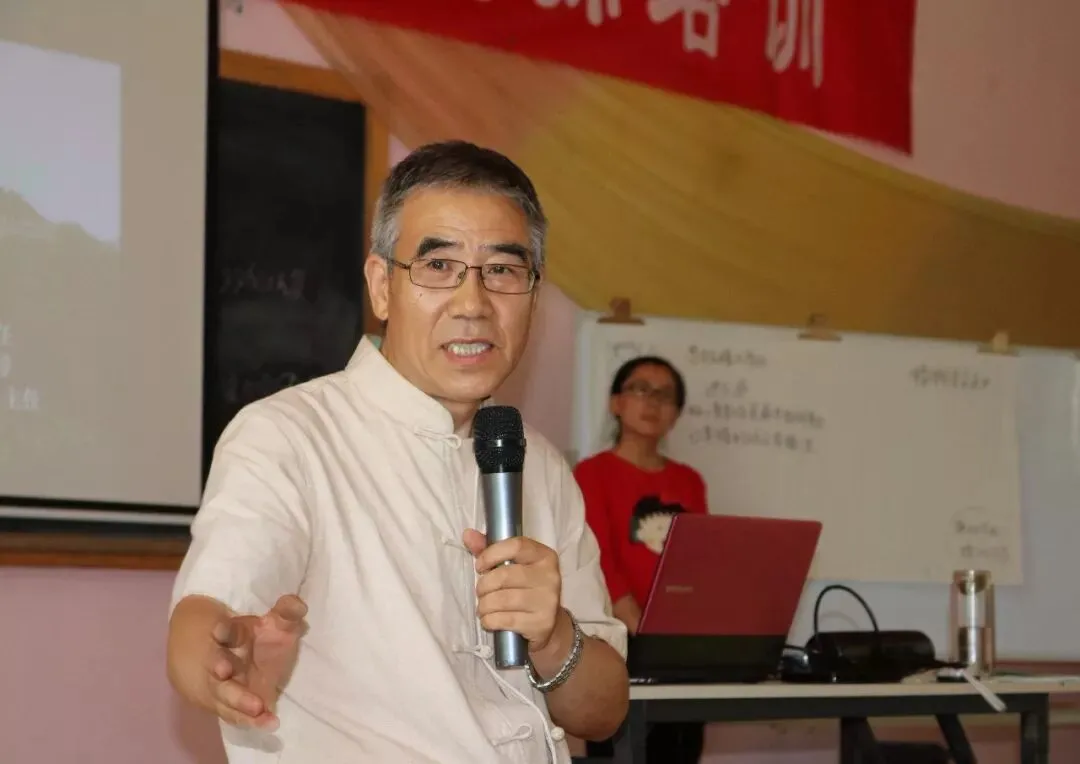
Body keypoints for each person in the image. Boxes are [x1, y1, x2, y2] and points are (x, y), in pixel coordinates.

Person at [166, 140, 629, 764]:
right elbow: (206, 616)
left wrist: (551, 639)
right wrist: (219, 661)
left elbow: (603, 713)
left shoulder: (539, 463)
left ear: (532, 295)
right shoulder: (288, 436)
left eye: (502, 270)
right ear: (382, 287)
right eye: (438, 266)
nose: (473, 304)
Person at [574, 356, 708, 762]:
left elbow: (697, 564)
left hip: (679, 648)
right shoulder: (591, 473)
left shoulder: (689, 481)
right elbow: (599, 560)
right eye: (640, 389)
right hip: (618, 644)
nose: (652, 402)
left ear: (677, 414)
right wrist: (642, 635)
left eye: (665, 395)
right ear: (616, 403)